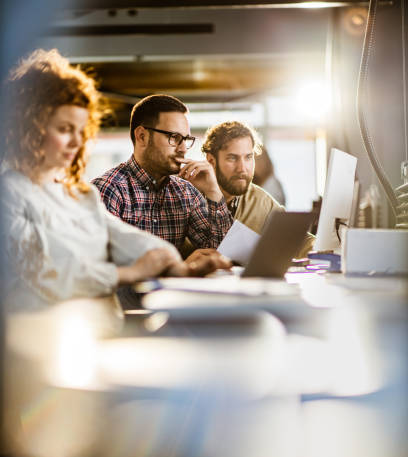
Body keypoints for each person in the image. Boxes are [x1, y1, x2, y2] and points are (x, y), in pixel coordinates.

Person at [0, 49, 227, 312]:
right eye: (64, 129)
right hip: (35, 339)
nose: (76, 142)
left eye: (80, 130)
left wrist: (176, 265)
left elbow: (126, 238)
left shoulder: (79, 195)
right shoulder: (10, 194)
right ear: (30, 128)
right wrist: (130, 274)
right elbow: (47, 274)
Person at [91, 94, 233, 261]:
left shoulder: (185, 192)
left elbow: (224, 253)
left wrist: (213, 191)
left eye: (186, 139)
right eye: (174, 137)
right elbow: (100, 270)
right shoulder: (108, 191)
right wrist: (178, 271)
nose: (183, 149)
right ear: (142, 136)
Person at [201, 121, 314, 257]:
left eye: (248, 157)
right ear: (211, 161)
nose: (242, 168)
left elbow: (298, 239)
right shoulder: (187, 197)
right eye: (232, 158)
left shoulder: (259, 199)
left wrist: (333, 249)